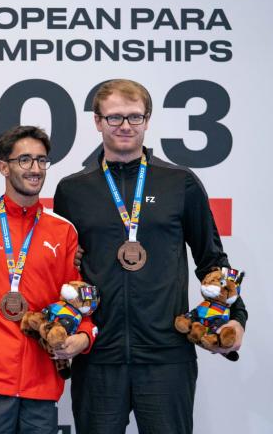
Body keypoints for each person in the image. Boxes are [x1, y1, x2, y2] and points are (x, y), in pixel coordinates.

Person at [53, 79, 247, 434]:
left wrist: (236, 317)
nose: (125, 126)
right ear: (97, 121)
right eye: (114, 118)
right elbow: (65, 270)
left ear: (147, 120)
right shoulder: (72, 189)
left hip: (166, 356)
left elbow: (212, 259)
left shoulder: (180, 182)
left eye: (134, 117)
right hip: (99, 357)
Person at [0, 125, 97, 434]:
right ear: (3, 166)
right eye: (25, 160)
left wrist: (84, 337)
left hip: (41, 380)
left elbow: (76, 300)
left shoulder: (63, 230)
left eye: (42, 161)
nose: (35, 169)